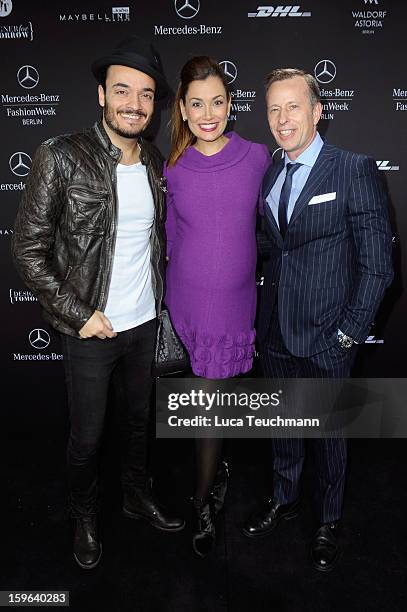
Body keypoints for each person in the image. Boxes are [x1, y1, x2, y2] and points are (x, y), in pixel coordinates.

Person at [12, 36, 184, 570]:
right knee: (87, 437)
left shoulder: (156, 161)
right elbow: (27, 248)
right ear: (102, 96)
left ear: (155, 104)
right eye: (123, 91)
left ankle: (135, 494)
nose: (134, 103)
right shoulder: (60, 156)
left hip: (144, 324)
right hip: (90, 328)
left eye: (146, 94)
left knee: (138, 423)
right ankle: (83, 515)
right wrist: (79, 314)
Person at [243, 68, 393, 571]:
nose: (283, 120)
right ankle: (285, 499)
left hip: (330, 334)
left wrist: (349, 333)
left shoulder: (353, 169)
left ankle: (328, 519)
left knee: (330, 435)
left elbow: (378, 266)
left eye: (293, 107)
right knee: (285, 424)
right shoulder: (269, 172)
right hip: (277, 330)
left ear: (316, 111)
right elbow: (273, 247)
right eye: (273, 109)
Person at [165, 56, 271, 557]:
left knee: (209, 407)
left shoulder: (256, 157)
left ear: (231, 105)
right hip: (183, 300)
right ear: (183, 110)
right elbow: (170, 238)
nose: (209, 113)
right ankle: (211, 480)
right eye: (197, 104)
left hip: (231, 306)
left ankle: (202, 499)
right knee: (203, 404)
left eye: (218, 102)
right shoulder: (174, 166)